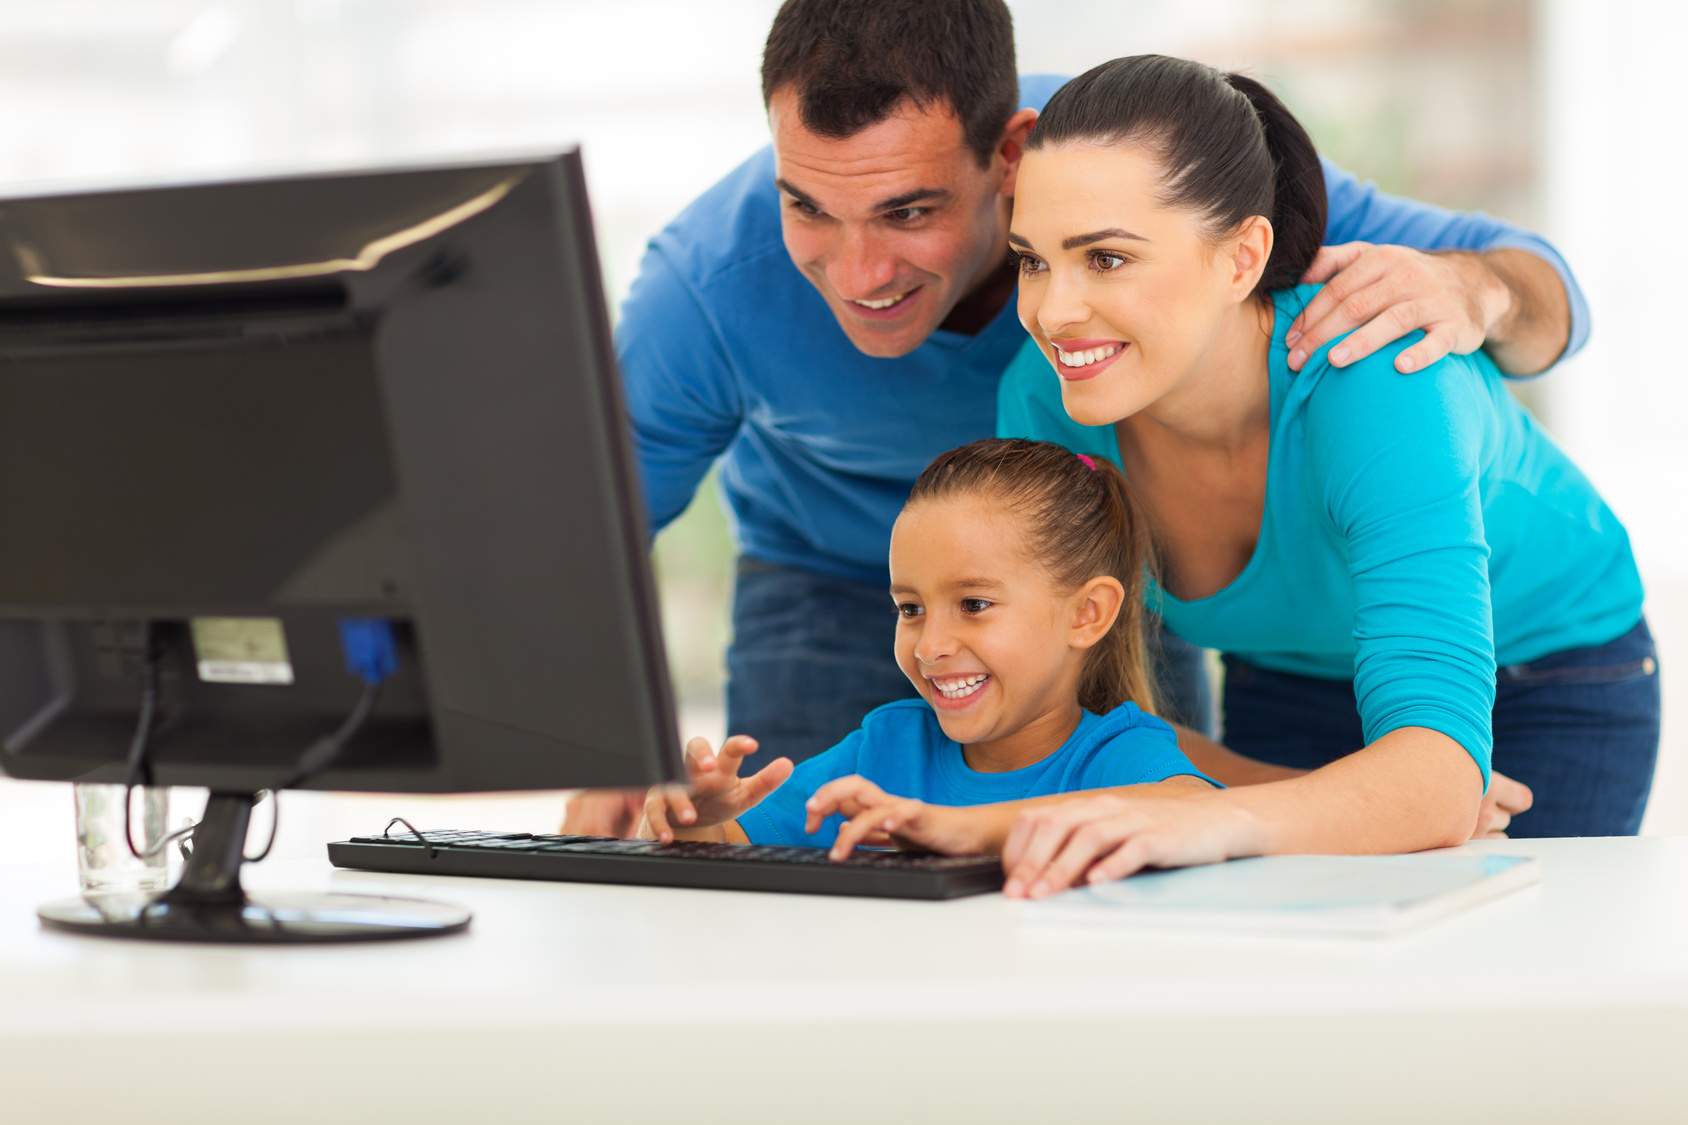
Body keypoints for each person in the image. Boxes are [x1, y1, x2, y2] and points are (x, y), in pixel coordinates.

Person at [568, 0, 1587, 833]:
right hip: (832, 570)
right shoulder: (705, 289)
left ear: (1008, 155)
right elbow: (588, 545)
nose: (859, 272)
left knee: (1127, 885)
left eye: (910, 212)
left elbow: (1534, 286)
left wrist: (1474, 291)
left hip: (1097, 548)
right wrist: (604, 756)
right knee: (801, 900)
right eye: (807, 209)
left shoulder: (1131, 168)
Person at [986, 55, 1655, 896]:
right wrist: (1349, 797)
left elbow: (1438, 773)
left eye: (1108, 259)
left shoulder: (1379, 382)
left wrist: (1237, 810)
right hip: (1290, 667)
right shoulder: (1044, 398)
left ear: (1242, 257)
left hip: (1540, 672)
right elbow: (1081, 718)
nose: (1052, 312)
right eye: (1033, 261)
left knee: (1492, 992)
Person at [640, 439, 1213, 855]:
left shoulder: (1117, 756)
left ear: (1088, 615)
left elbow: (1204, 816)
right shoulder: (884, 749)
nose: (932, 646)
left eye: (973, 605)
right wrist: (694, 824)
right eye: (910, 609)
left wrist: (977, 829)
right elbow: (726, 857)